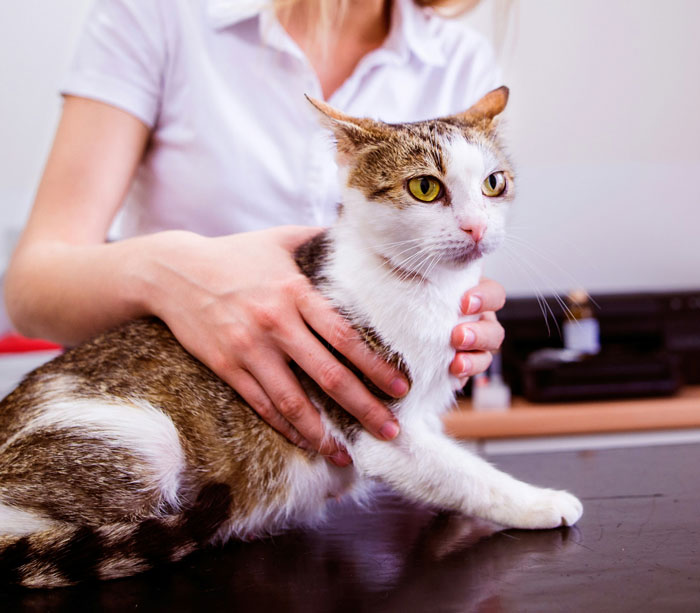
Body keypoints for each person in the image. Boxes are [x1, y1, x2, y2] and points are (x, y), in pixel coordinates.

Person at [4, 0, 506, 467]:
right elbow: (32, 289)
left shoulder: (460, 59)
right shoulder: (160, 14)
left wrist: (456, 328)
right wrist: (177, 275)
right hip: (176, 451)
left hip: (359, 477)